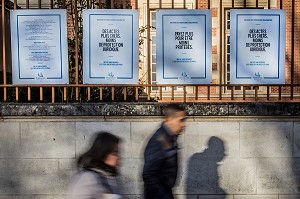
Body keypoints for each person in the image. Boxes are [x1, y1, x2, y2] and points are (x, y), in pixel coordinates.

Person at [142, 103, 187, 199]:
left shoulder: (170, 137)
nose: (184, 124)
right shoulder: (159, 139)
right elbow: (148, 174)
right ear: (170, 120)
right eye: (181, 120)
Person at [68, 131, 123, 199]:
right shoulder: (89, 178)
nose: (119, 158)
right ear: (104, 153)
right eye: (115, 153)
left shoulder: (111, 179)